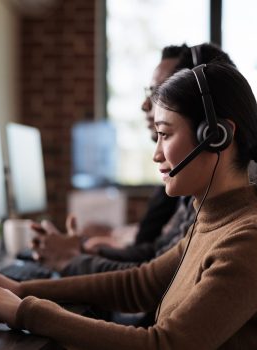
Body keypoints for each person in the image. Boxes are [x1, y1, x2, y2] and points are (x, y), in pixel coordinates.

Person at [0, 61, 257, 349]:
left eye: (166, 134)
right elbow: (138, 285)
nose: (156, 153)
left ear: (216, 136)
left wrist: (26, 312)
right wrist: (21, 289)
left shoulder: (249, 239)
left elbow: (164, 346)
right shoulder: (215, 220)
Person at [33, 44, 234, 277]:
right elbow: (155, 260)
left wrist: (73, 259)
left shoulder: (229, 219)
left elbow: (148, 282)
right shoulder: (195, 191)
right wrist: (84, 251)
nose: (146, 105)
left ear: (210, 131)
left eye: (160, 92)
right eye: (150, 92)